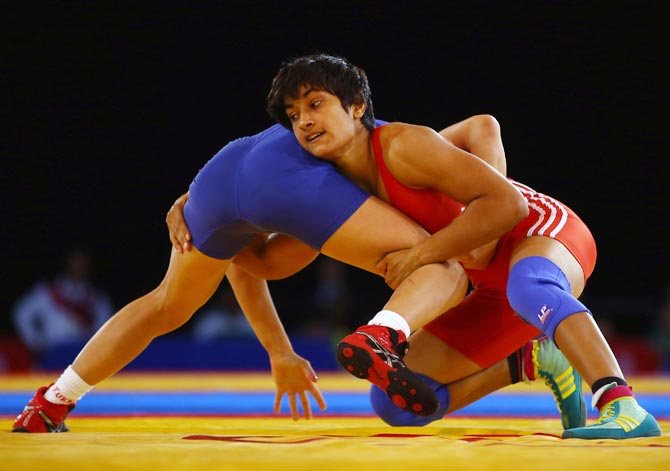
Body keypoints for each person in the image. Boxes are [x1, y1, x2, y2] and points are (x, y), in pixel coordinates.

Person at [11, 109, 495, 432]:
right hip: (276, 184)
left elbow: (242, 256)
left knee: (167, 305)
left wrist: (280, 352)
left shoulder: (393, 158)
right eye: (299, 109)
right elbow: (483, 130)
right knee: (443, 266)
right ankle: (382, 336)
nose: (306, 119)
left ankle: (50, 402)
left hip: (224, 175)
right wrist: (486, 229)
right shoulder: (408, 151)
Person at [257, 53, 660, 439]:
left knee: (530, 286)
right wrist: (199, 208)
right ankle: (533, 361)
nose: (305, 121)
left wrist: (444, 242)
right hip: (490, 287)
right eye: (293, 116)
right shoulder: (337, 192)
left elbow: (505, 193)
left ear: (358, 106)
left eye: (315, 104)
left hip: (538, 232)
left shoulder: (401, 146)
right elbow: (257, 241)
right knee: (395, 401)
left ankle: (621, 405)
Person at [12, 247, 114, 361]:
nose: (79, 266)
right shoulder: (48, 292)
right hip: (54, 350)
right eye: (75, 261)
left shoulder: (96, 297)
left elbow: (107, 325)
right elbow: (22, 313)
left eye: (82, 262)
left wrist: (97, 346)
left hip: (83, 354)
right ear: (67, 263)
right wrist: (34, 341)